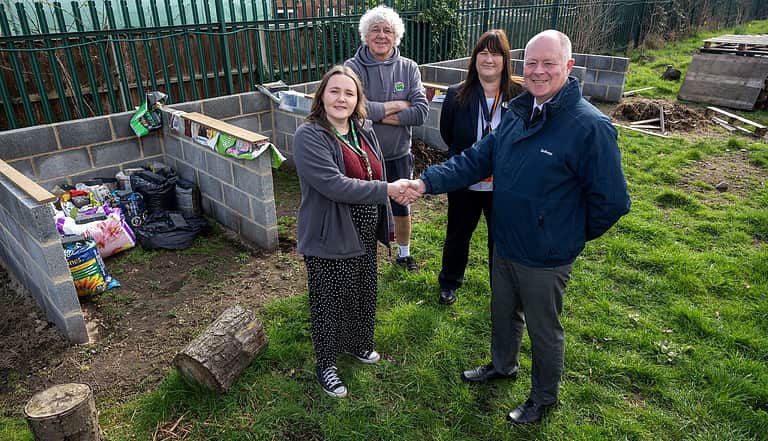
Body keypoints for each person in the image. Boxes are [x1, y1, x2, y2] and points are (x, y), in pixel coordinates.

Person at [408, 30, 631, 423]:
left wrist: (565, 234)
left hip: (545, 255)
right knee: (503, 311)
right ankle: (503, 365)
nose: (538, 71)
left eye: (549, 63)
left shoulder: (589, 127)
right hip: (506, 241)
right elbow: (475, 159)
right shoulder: (517, 112)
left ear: (568, 66)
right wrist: (425, 183)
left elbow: (613, 202)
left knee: (544, 329)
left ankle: (543, 397)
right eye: (532, 63)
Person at [293, 66, 418, 398]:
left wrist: (388, 192)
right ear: (322, 95)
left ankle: (358, 343)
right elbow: (334, 185)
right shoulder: (309, 135)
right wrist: (388, 190)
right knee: (329, 300)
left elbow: (375, 168)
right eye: (334, 91)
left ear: (357, 100)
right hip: (330, 232)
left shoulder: (361, 129)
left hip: (364, 228)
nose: (341, 98)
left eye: (349, 93)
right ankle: (326, 364)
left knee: (363, 289)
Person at [436, 29, 523, 306]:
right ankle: (449, 282)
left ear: (505, 60)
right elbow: (448, 134)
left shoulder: (520, 95)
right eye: (483, 53)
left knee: (500, 240)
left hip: (504, 185)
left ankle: (502, 289)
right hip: (466, 181)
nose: (488, 59)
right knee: (458, 234)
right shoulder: (456, 95)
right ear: (474, 59)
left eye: (495, 53)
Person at [345, 5, 428, 272]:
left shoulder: (409, 68)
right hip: (362, 154)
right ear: (365, 35)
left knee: (402, 206)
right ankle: (362, 257)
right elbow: (354, 109)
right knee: (363, 208)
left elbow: (421, 112)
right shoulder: (352, 68)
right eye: (375, 30)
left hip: (398, 153)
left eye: (387, 30)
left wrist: (375, 112)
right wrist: (399, 105)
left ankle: (404, 255)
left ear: (396, 36)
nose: (381, 35)